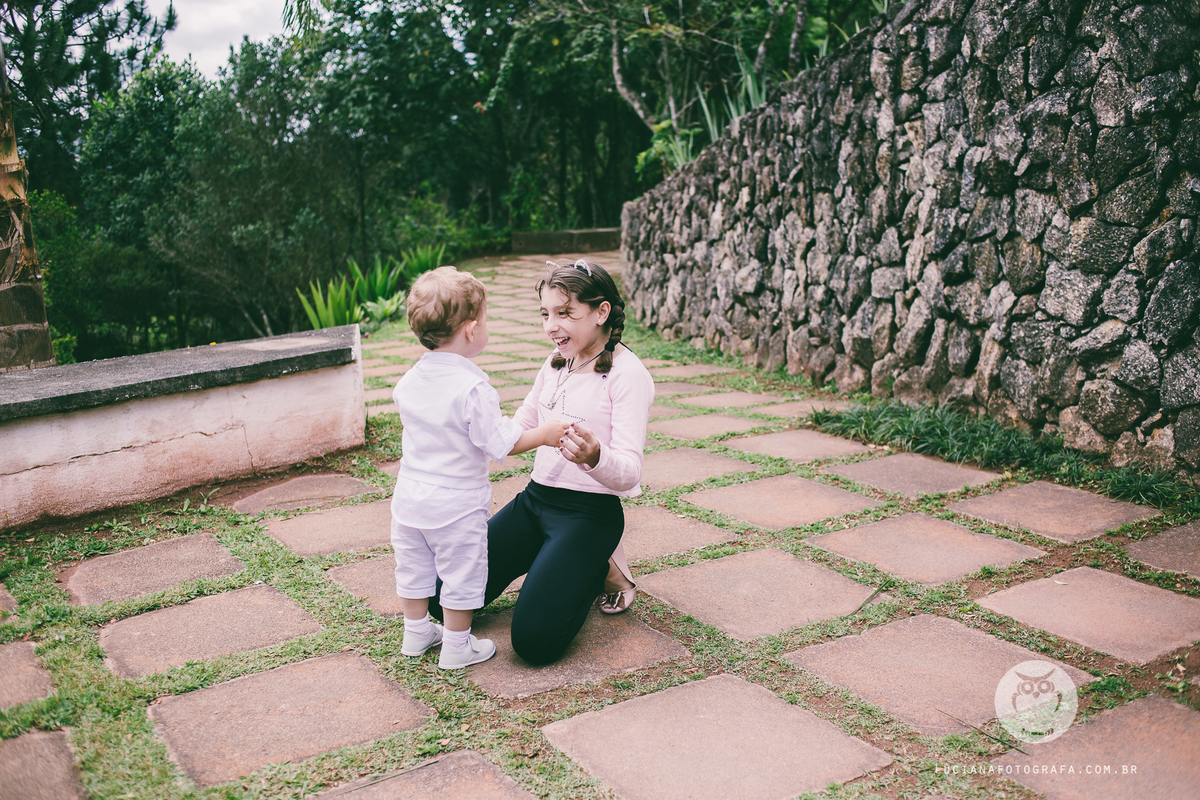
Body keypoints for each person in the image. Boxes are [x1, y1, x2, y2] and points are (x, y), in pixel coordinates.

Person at [429, 259, 654, 665]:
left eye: (565, 313)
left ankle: (596, 566)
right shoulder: (555, 362)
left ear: (601, 311)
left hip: (590, 515)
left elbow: (629, 473)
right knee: (438, 596)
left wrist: (596, 457)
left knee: (534, 643)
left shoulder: (628, 375)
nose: (552, 325)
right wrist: (469, 429)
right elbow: (520, 426)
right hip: (535, 503)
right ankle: (566, 558)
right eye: (546, 314)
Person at [391, 266, 569, 669]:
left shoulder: (408, 382)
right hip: (455, 504)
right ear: (471, 330)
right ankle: (457, 646)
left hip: (409, 499)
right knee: (462, 570)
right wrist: (544, 434)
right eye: (485, 321)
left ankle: (416, 633)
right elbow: (500, 443)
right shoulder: (472, 389)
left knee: (414, 566)